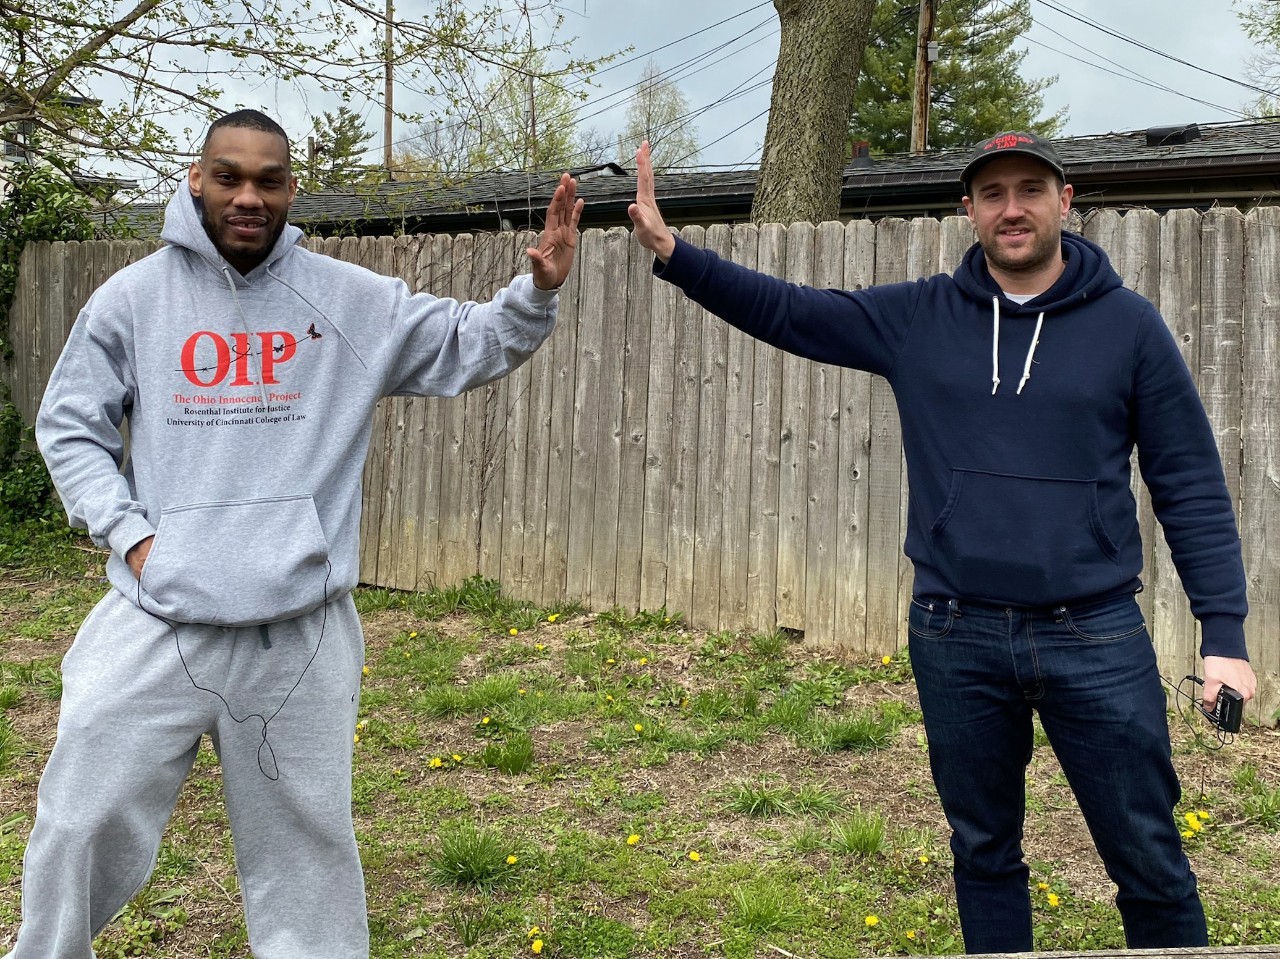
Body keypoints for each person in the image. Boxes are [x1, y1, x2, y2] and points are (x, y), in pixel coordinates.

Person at [627, 132, 1257, 954]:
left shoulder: (1130, 327)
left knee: (1150, 858)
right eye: (992, 193)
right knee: (983, 850)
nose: (1012, 208)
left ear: (1065, 201)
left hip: (1095, 633)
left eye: (1030, 189)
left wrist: (1224, 635)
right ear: (969, 210)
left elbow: (1190, 482)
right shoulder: (919, 318)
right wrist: (673, 252)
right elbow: (790, 311)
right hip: (956, 631)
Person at [8, 109, 583, 959]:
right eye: (229, 176)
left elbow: (469, 341)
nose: (249, 196)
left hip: (299, 633)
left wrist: (535, 293)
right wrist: (131, 538)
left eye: (268, 180)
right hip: (156, 618)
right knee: (76, 821)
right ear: (196, 179)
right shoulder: (132, 299)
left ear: (291, 189)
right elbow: (68, 426)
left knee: (305, 859)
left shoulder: (349, 299)